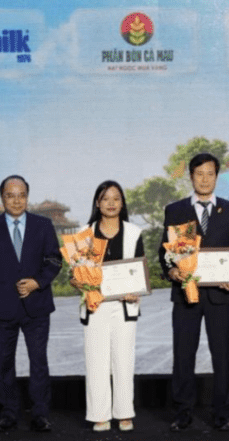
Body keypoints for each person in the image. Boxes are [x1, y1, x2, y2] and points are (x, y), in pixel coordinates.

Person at [160, 153, 229, 432]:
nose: (204, 179)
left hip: (220, 296)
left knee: (222, 357)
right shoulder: (174, 210)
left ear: (216, 177)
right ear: (191, 177)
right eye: (199, 174)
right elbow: (164, 252)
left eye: (210, 174)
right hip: (185, 296)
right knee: (183, 356)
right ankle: (182, 413)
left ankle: (222, 414)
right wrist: (172, 272)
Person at [0, 175, 62, 433]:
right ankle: (8, 414)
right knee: (3, 363)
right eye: (10, 195)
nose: (16, 201)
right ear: (2, 197)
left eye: (21, 195)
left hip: (37, 308)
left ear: (27, 197)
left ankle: (40, 415)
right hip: (2, 310)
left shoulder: (43, 225)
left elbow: (55, 260)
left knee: (39, 362)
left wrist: (37, 282)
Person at [72, 180, 144, 433]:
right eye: (105, 198)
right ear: (97, 203)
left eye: (116, 198)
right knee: (96, 361)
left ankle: (124, 413)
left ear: (122, 203)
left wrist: (136, 289)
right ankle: (99, 414)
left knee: (124, 361)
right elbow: (76, 273)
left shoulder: (133, 232)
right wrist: (77, 281)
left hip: (124, 306)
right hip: (95, 305)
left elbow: (138, 269)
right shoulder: (84, 233)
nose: (111, 203)